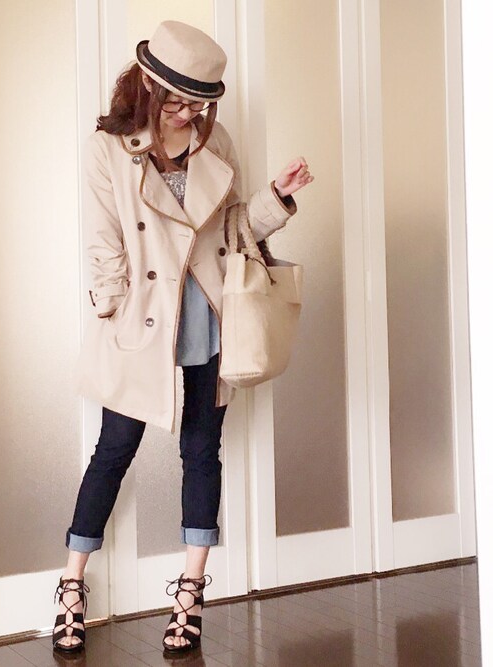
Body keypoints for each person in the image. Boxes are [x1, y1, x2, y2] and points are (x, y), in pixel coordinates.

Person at [52, 20, 314, 656]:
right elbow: (103, 241)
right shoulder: (108, 148)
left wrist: (276, 198)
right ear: (147, 84)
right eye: (178, 101)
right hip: (142, 322)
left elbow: (232, 230)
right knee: (114, 449)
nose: (189, 114)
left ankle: (190, 594)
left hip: (206, 317)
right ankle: (71, 585)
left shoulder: (215, 140)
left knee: (201, 451)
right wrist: (112, 308)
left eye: (199, 103)